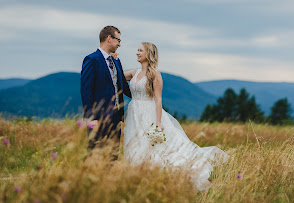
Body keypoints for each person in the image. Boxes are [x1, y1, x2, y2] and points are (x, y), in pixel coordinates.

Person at [123, 42, 229, 191]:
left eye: (140, 50)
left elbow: (158, 99)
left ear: (148, 54)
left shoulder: (155, 74)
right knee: (135, 146)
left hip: (149, 113)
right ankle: (137, 179)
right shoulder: (134, 73)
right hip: (134, 114)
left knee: (154, 147)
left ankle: (160, 177)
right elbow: (116, 76)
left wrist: (158, 122)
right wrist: (114, 59)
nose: (137, 53)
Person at [80, 25, 132, 160]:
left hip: (116, 117)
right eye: (118, 40)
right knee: (94, 155)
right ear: (109, 38)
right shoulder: (92, 60)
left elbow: (123, 86)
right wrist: (91, 118)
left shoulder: (116, 61)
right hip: (98, 118)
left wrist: (144, 95)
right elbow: (86, 91)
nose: (119, 44)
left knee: (112, 156)